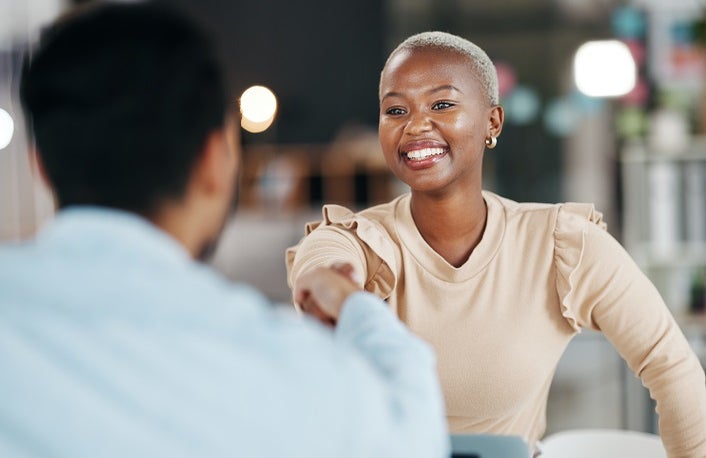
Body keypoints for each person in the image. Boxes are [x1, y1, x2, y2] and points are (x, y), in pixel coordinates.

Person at [0, 4, 449, 457]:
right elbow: (412, 434)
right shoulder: (285, 369)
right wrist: (355, 306)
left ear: (40, 166)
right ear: (215, 160)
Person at [286, 31, 706, 457]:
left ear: (493, 122)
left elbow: (672, 369)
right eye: (395, 110)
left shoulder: (561, 245)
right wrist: (332, 285)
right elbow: (323, 260)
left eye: (442, 104)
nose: (414, 125)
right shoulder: (364, 240)